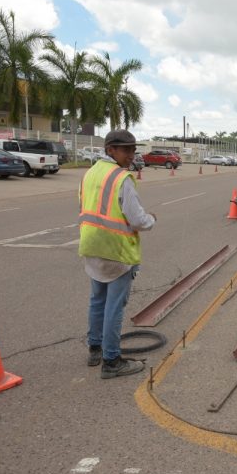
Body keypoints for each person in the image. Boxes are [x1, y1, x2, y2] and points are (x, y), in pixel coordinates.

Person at [79, 129, 157, 379]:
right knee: (114, 306)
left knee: (97, 300)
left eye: (133, 149)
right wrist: (151, 219)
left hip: (91, 244)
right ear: (110, 150)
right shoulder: (122, 178)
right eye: (126, 150)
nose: (131, 155)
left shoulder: (90, 173)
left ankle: (95, 349)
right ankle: (111, 360)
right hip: (116, 249)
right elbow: (137, 220)